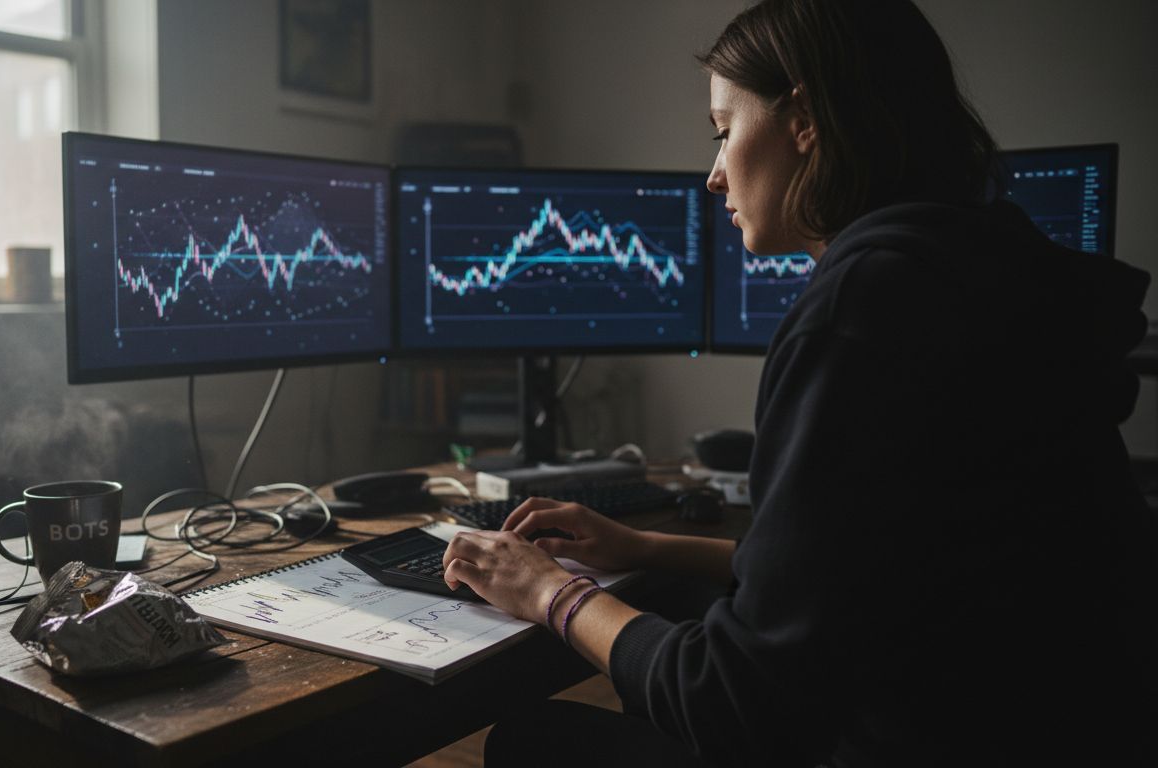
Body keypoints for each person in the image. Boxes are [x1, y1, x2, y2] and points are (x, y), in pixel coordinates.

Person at [440, 0, 1158, 765]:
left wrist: (548, 591)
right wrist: (642, 544)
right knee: (673, 603)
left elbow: (734, 698)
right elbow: (865, 577)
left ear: (805, 120)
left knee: (531, 741)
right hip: (1050, 729)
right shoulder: (981, 267)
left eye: (724, 132)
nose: (715, 176)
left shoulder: (864, 307)